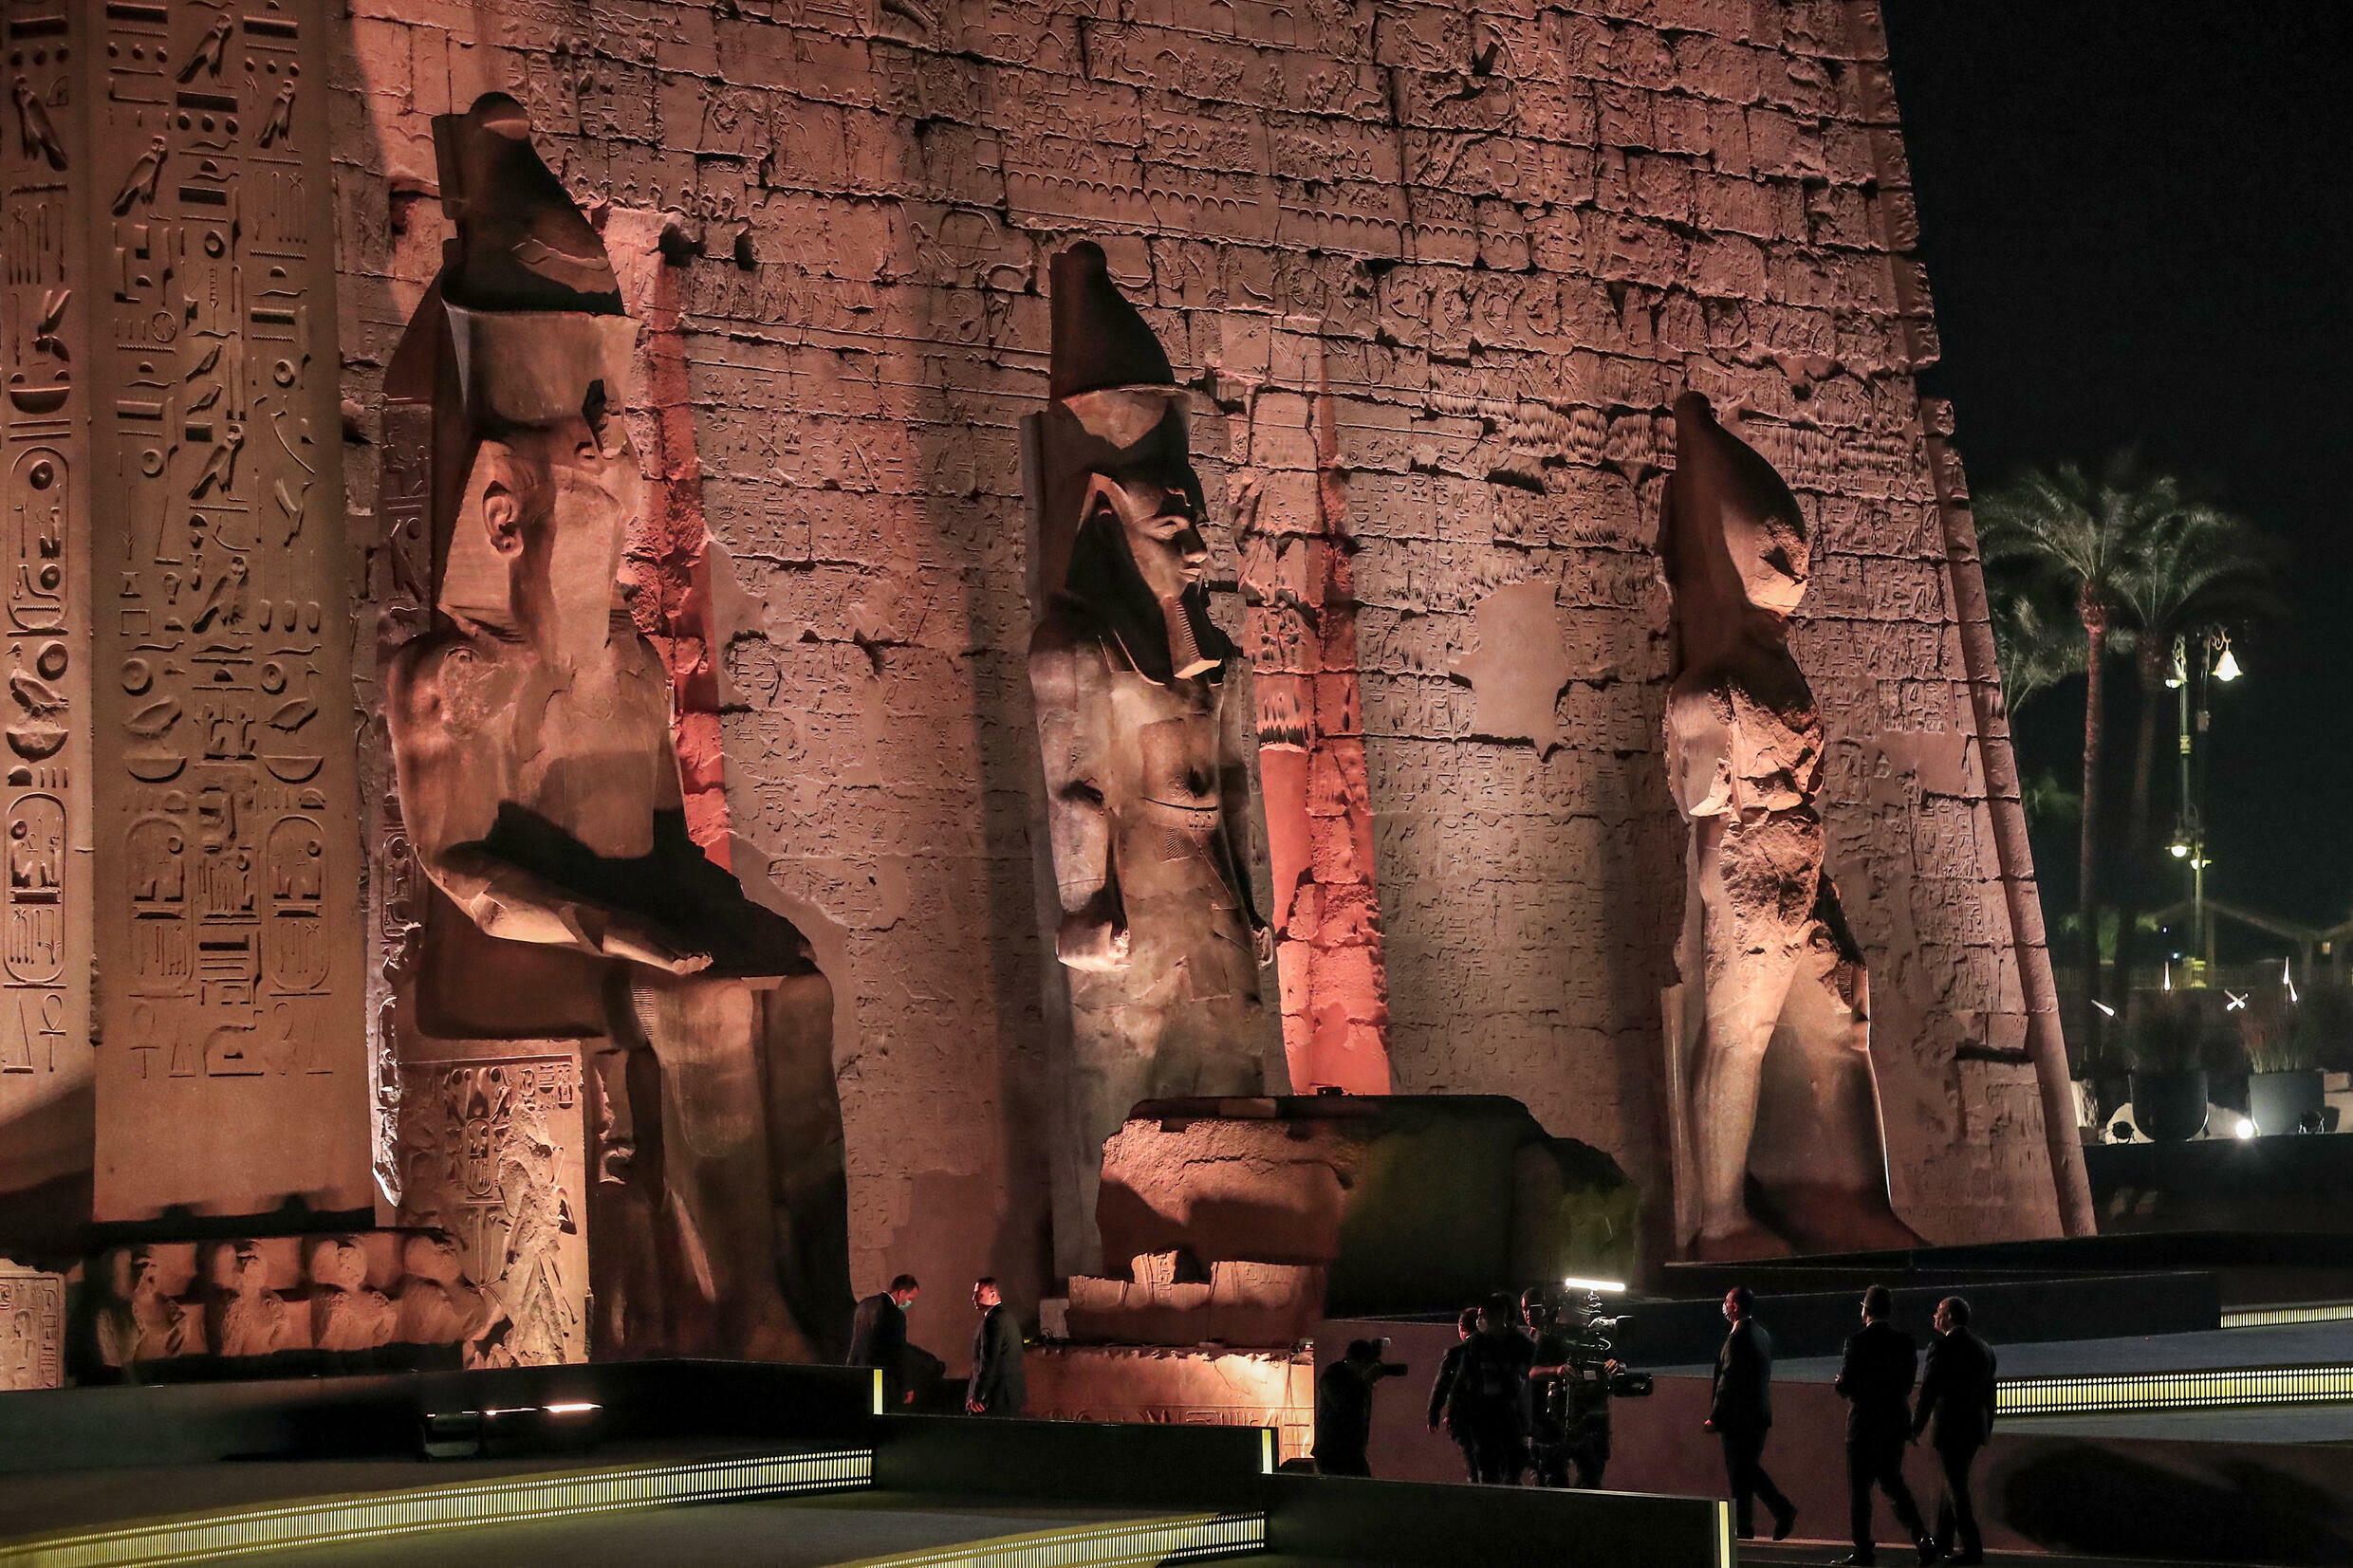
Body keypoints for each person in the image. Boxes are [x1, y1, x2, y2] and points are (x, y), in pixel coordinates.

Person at [1832, 1285, 1933, 1565]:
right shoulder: (1905, 1342)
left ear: (1866, 1310)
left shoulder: (1856, 1342)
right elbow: (1906, 1383)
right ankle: (1922, 1537)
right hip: (1894, 1422)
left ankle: (1863, 1550)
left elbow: (1849, 1385)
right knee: (1894, 1484)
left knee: (1860, 1492)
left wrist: (1840, 1383)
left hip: (1863, 1425)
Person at [1913, 1295, 1996, 1566]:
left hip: (1949, 1427)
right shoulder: (1984, 1349)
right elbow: (1989, 1393)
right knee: (1954, 1481)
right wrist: (1987, 1429)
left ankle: (1973, 1549)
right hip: (1974, 1428)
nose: (1934, 1316)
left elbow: (1928, 1391)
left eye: (1938, 1311)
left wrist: (1916, 1426)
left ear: (1948, 1316)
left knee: (1955, 1485)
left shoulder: (1940, 1347)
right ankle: (1944, 1540)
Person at [1708, 1286, 1795, 1540]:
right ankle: (1748, 1526)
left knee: (1741, 1471)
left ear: (1735, 1306)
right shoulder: (1762, 1334)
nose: (1724, 1306)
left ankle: (1777, 1511)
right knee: (1746, 1470)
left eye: (1727, 1302)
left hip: (1738, 1418)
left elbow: (1728, 1380)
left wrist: (1715, 1415)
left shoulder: (1737, 1339)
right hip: (1758, 1414)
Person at [1442, 1294, 1535, 1484]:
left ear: (1500, 1315)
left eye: (1484, 1315)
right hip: (1482, 1415)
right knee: (1487, 1465)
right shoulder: (1476, 1343)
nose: (1480, 1320)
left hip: (1509, 1413)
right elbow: (1461, 1379)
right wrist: (1453, 1411)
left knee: (1513, 1464)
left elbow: (1531, 1379)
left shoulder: (1520, 1344)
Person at [1313, 1337, 1408, 1476]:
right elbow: (1345, 1407)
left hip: (1352, 1452)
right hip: (1332, 1453)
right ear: (1356, 1361)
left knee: (1364, 1492)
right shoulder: (1333, 1375)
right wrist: (1364, 1383)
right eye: (1365, 1365)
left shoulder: (1354, 1379)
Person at [1520, 1288, 1573, 1487]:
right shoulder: (1533, 1338)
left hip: (1550, 1420)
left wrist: (1556, 1370)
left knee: (1552, 1478)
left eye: (1531, 1308)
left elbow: (1533, 1372)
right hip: (1537, 1422)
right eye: (1524, 1310)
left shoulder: (1548, 1336)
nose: (1527, 1314)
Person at [1426, 1307, 1482, 1480]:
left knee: (1472, 1463)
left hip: (1464, 1418)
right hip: (1491, 1417)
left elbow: (1442, 1385)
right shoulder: (1493, 1350)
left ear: (1461, 1327)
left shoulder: (1455, 1353)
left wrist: (1433, 1413)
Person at [848, 1274, 920, 1408]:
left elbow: (856, 1342)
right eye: (910, 1299)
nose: (909, 1303)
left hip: (857, 1373)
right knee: (878, 1414)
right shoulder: (894, 1314)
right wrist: (906, 1386)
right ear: (902, 1292)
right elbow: (899, 1352)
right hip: (879, 1378)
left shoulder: (864, 1305)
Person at [965, 1279, 1026, 1417]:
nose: (973, 1298)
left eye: (978, 1294)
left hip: (995, 1396)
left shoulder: (993, 1321)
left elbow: (988, 1360)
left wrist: (978, 1395)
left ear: (992, 1295)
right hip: (1008, 1393)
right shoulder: (1006, 1317)